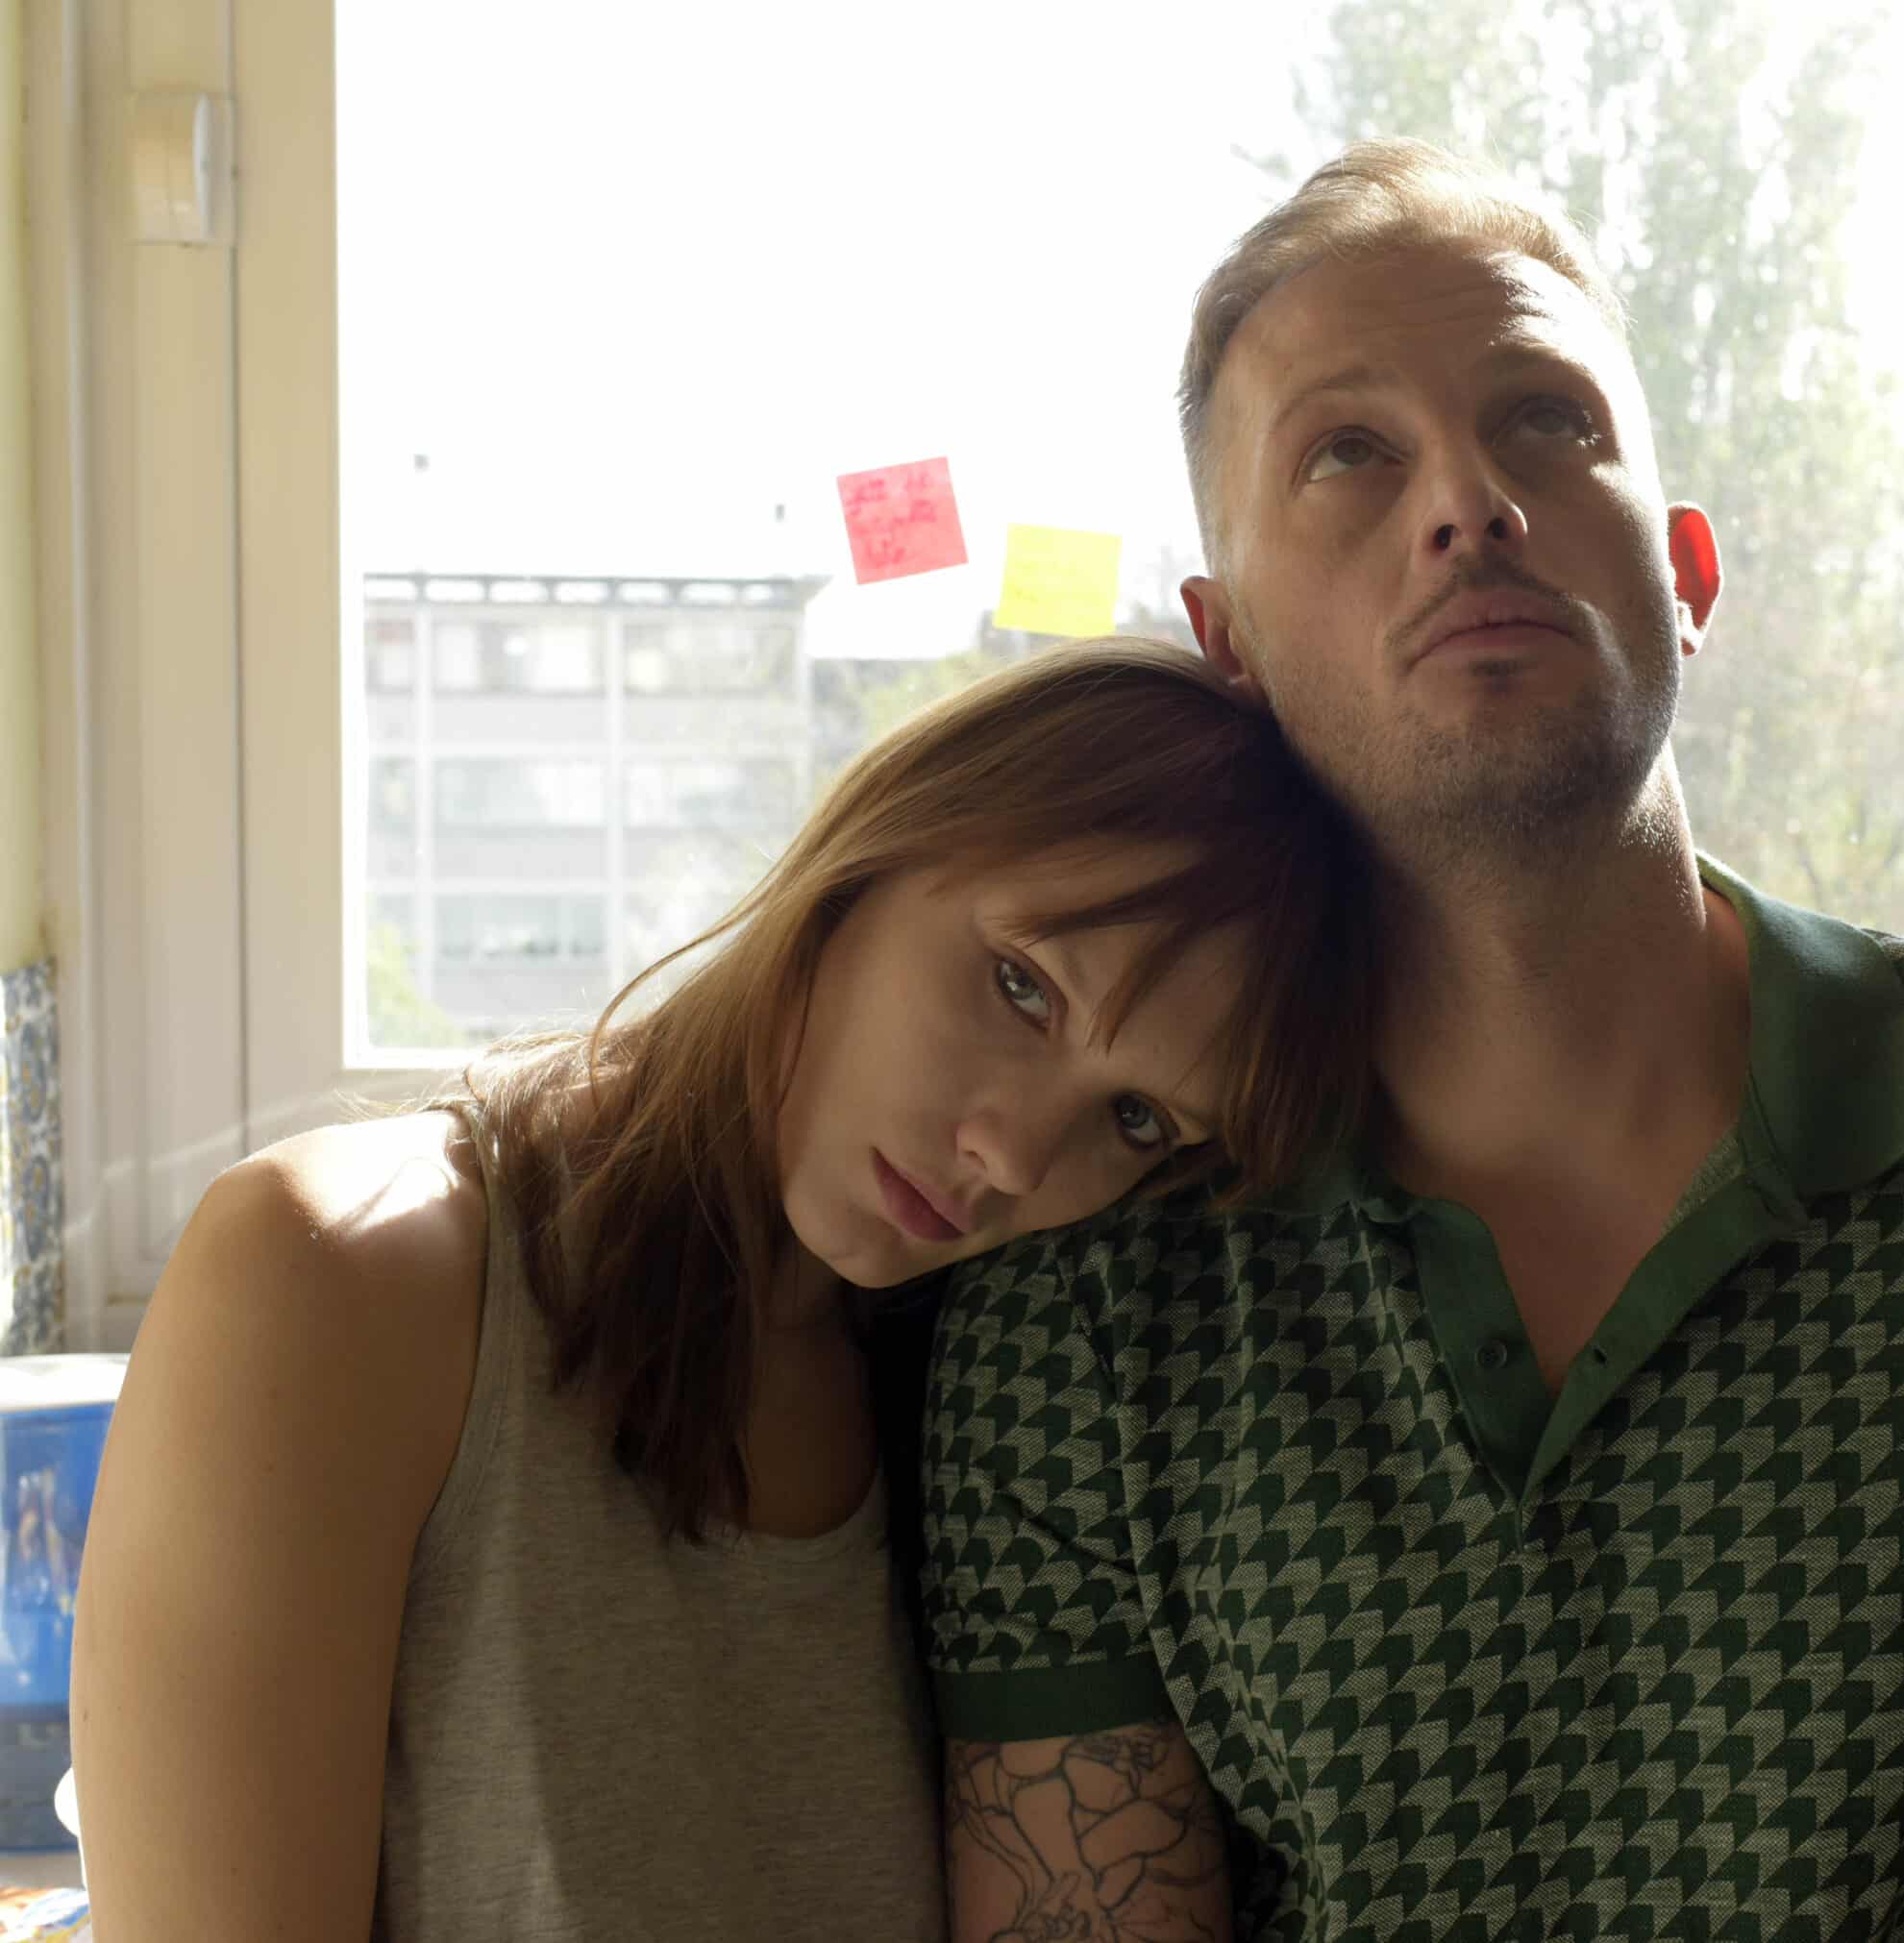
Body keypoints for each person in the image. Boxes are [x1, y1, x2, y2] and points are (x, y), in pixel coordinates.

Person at [925, 142, 1904, 1942]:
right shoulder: (1092, 1275)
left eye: (1547, 421)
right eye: (1348, 452)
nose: (1469, 502)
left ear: (1688, 572)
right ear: (1229, 642)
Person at [69, 637, 1376, 1941]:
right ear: (880, 842)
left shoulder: (1005, 1415)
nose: (1017, 1155)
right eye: (1022, 988)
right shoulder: (337, 1280)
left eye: (1136, 1119)